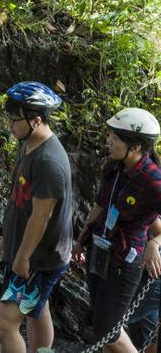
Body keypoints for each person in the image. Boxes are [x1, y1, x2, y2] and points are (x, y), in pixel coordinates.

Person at [0, 81, 73, 353]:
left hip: (40, 258)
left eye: (14, 120)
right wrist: (8, 238)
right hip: (28, 250)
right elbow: (19, 198)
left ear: (36, 120)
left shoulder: (50, 162)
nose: (10, 125)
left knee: (4, 321)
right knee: (37, 309)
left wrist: (23, 257)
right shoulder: (27, 143)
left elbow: (42, 217)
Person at [73, 107, 161, 352]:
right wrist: (80, 240)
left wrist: (154, 243)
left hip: (125, 262)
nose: (109, 141)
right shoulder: (114, 168)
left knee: (107, 329)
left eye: (116, 137)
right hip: (100, 253)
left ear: (135, 147)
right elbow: (100, 206)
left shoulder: (153, 179)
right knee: (102, 323)